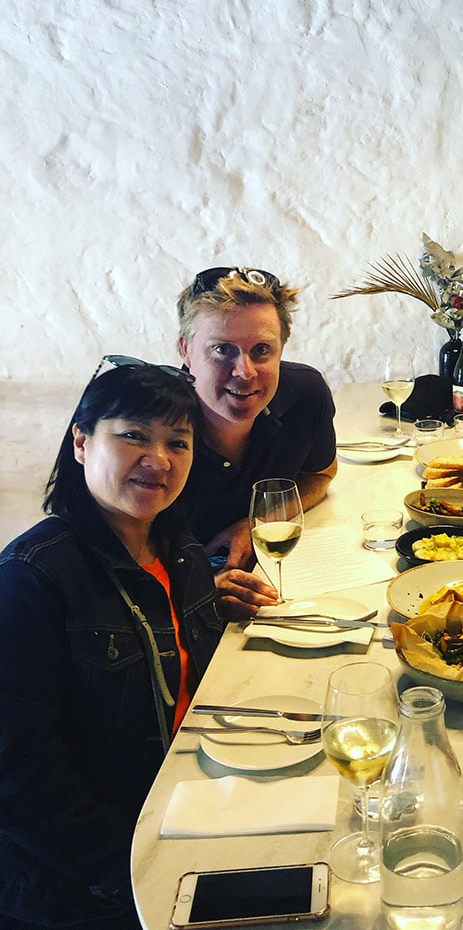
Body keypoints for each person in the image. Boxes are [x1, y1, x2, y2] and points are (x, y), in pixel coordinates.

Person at [0, 359, 223, 930]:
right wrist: (132, 867)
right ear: (81, 442)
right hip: (87, 884)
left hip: (187, 809)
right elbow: (17, 770)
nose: (159, 459)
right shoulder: (31, 578)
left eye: (178, 442)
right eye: (134, 436)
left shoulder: (181, 552)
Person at [176, 267, 338, 616]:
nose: (245, 372)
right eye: (222, 350)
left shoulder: (306, 395)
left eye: (262, 350)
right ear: (186, 351)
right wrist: (201, 591)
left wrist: (256, 524)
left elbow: (321, 474)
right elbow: (106, 561)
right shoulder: (149, 428)